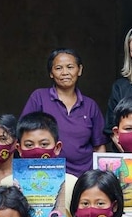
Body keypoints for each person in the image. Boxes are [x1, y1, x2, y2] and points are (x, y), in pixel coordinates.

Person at [21, 48, 107, 176]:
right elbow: (24, 136)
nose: (65, 72)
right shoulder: (39, 97)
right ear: (51, 73)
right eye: (58, 68)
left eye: (70, 67)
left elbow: (99, 146)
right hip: (46, 175)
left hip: (84, 176)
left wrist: (99, 178)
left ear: (80, 70)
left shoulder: (90, 105)